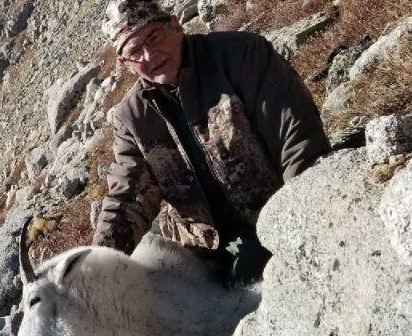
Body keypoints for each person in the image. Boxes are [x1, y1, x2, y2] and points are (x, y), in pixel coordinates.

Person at [91, 0, 330, 285]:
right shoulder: (131, 117)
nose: (149, 54)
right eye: (134, 51)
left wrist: (297, 220)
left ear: (175, 26)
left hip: (273, 216)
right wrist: (93, 271)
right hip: (201, 253)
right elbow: (129, 197)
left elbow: (296, 139)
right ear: (125, 64)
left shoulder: (242, 54)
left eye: (154, 36)